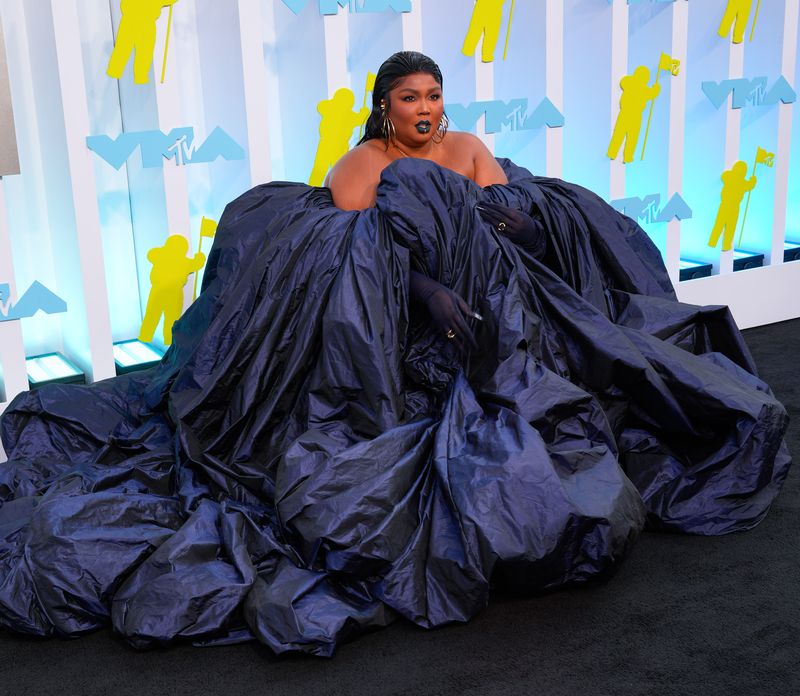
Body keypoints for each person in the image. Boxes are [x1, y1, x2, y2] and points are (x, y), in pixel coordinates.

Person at [0, 52, 791, 657]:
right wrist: (429, 293)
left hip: (499, 306)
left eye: (434, 95)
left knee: (598, 360)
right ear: (383, 107)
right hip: (398, 326)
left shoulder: (469, 147)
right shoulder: (363, 166)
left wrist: (516, 225)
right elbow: (357, 259)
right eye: (410, 97)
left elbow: (507, 218)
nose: (425, 108)